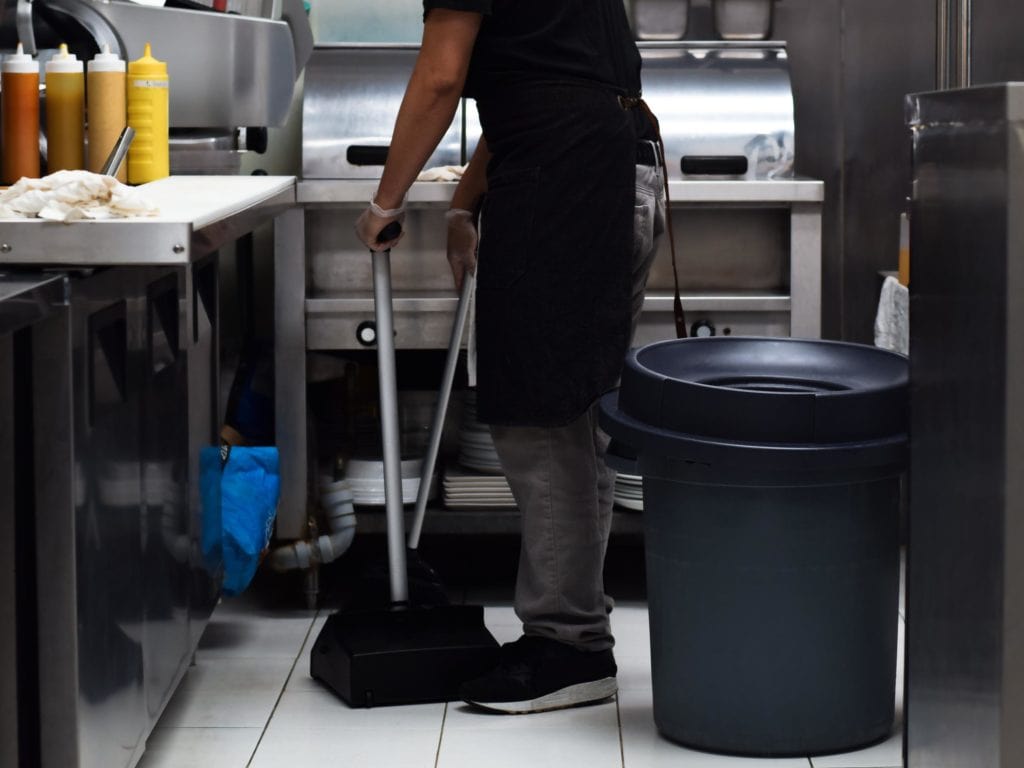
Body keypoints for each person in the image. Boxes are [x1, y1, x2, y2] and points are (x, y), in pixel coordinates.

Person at [354, 1, 666, 714]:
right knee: (573, 412)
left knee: (539, 412)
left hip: (568, 183)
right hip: (616, 171)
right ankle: (574, 629)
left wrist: (384, 203)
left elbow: (440, 79)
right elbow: (541, 79)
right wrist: (465, 205)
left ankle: (568, 645)